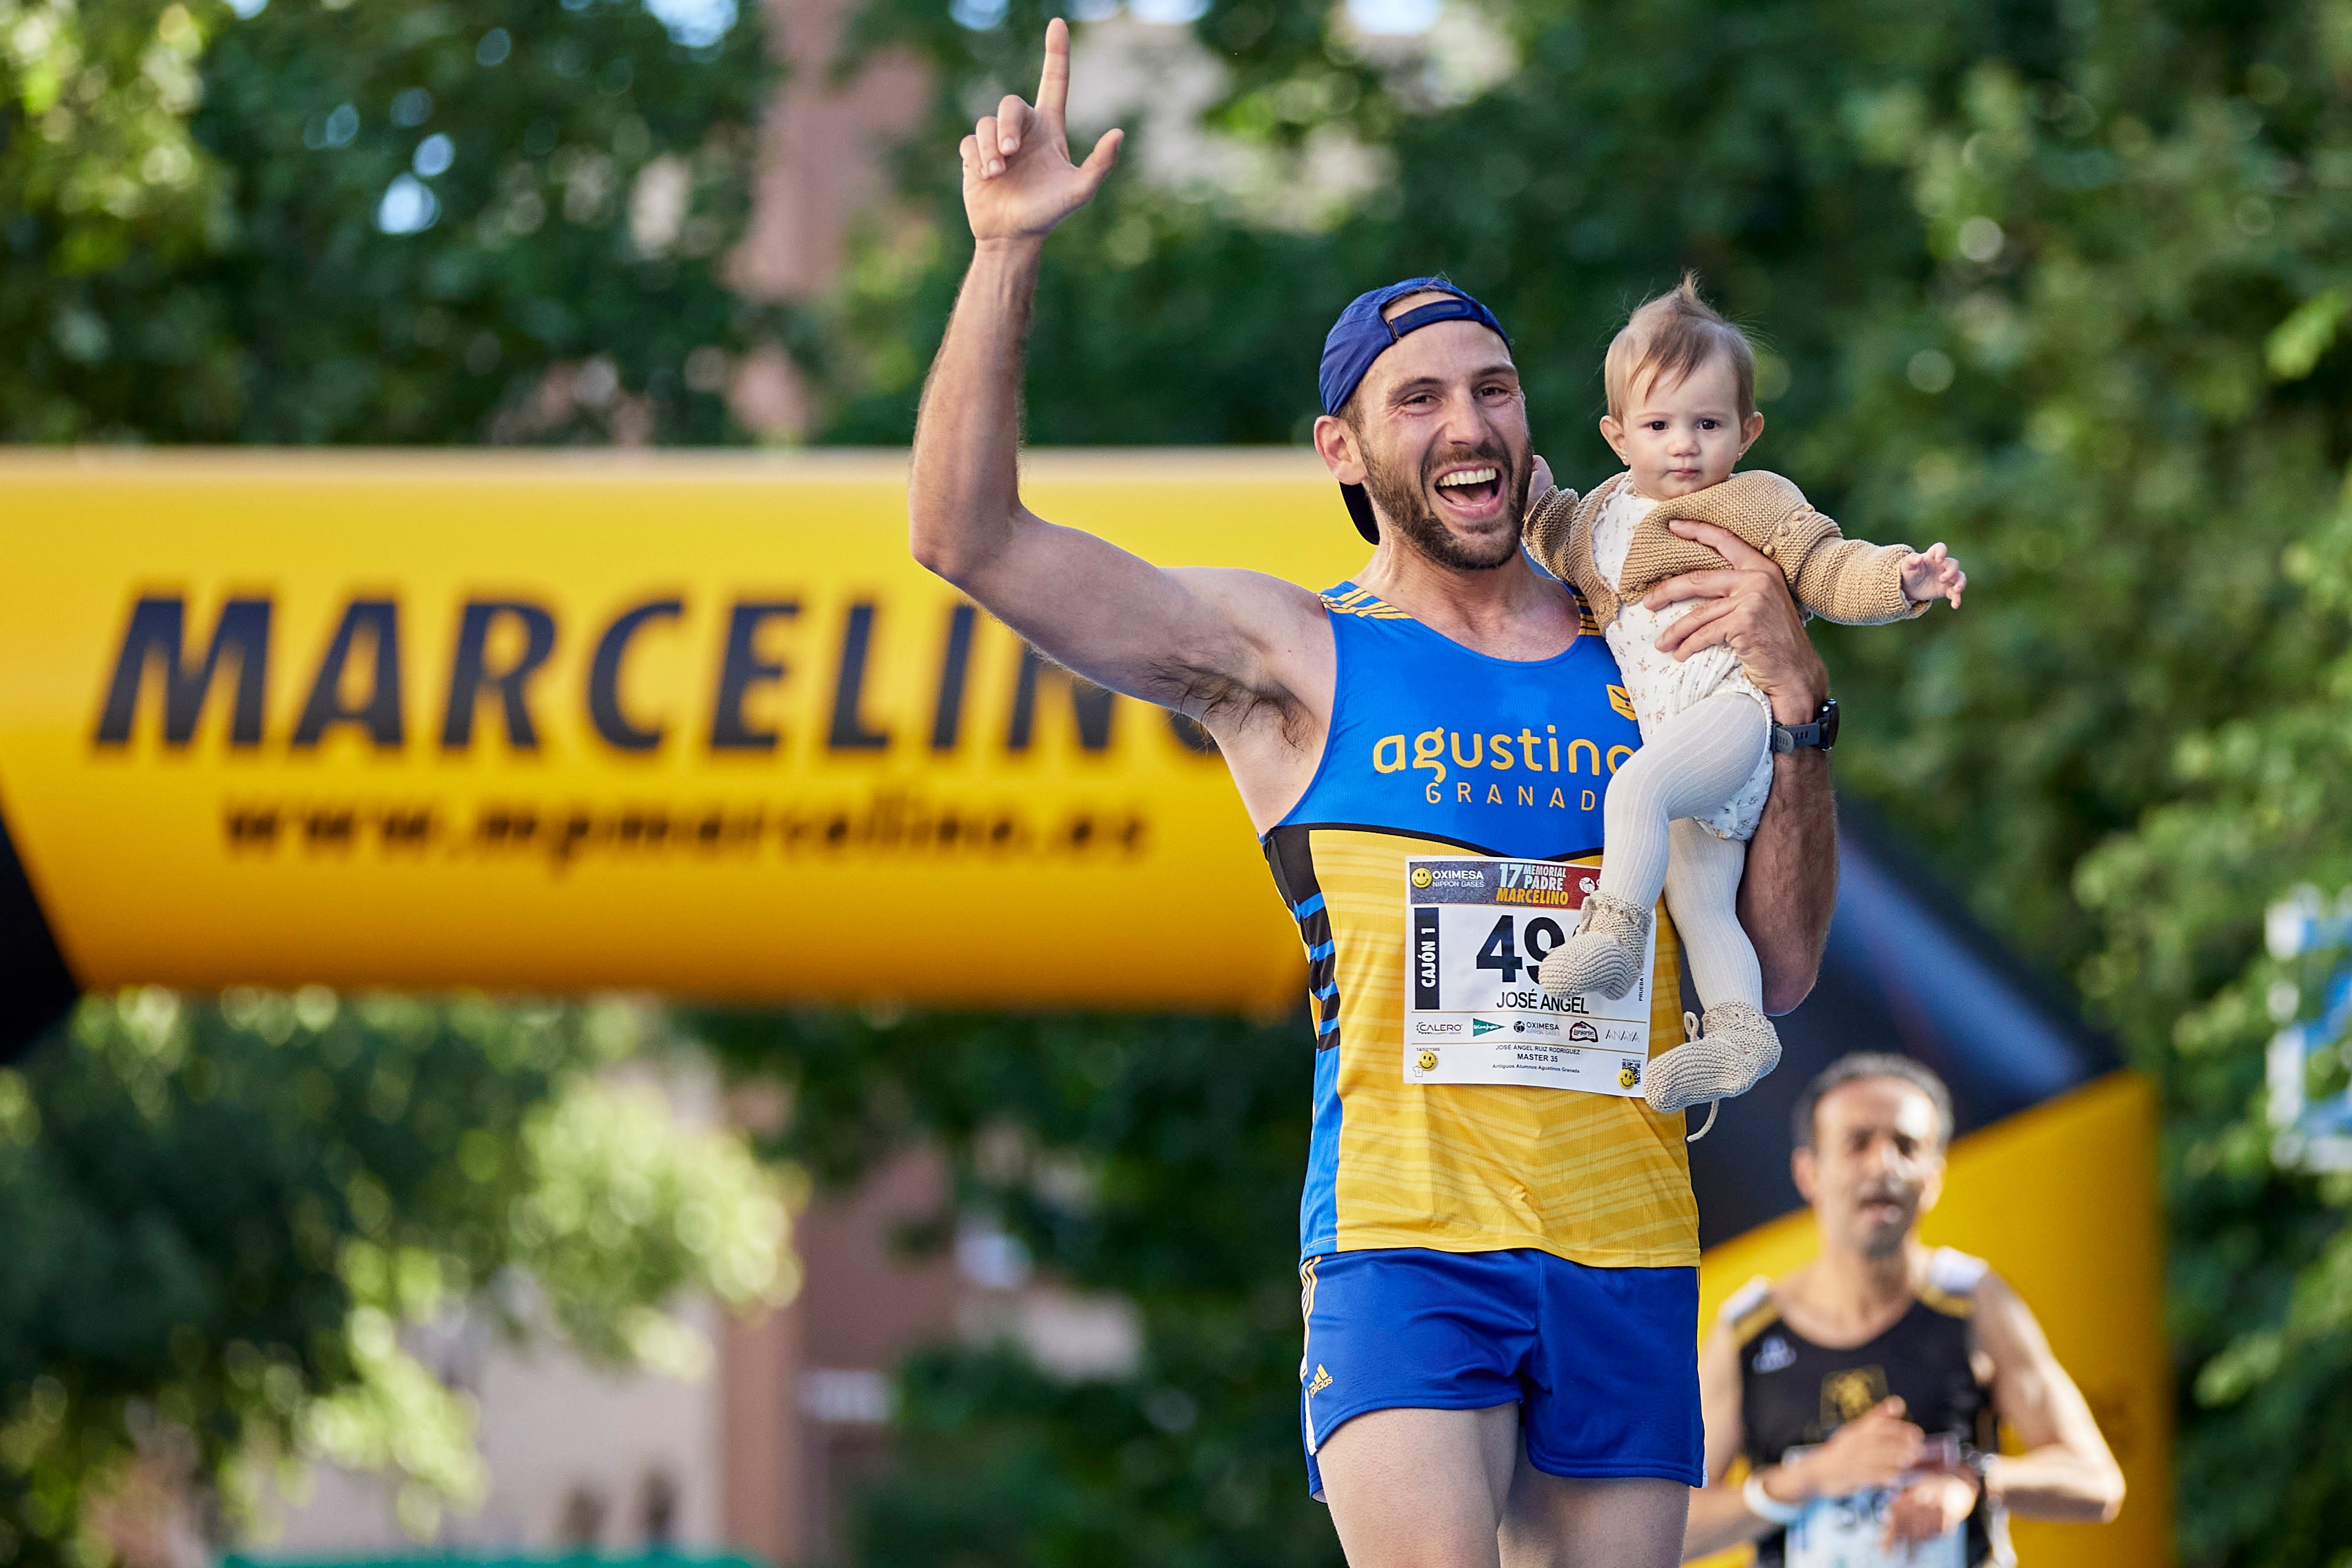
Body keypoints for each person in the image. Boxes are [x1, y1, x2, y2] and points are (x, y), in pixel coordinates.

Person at [911, 22, 1839, 1565]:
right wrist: (1007, 250)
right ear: (1344, 447)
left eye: (1493, 387)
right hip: (1407, 1249)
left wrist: (1799, 704)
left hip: (1626, 1242)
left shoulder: (1652, 644)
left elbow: (1785, 965)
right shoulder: (1294, 649)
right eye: (1419, 400)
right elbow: (969, 538)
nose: (1470, 425)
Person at [1523, 281, 1967, 1135]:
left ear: (1748, 430)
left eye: (1708, 424)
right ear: (1617, 435)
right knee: (1698, 897)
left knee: (1636, 791)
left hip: (1732, 713)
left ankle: (1612, 934)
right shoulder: (1603, 515)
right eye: (1659, 426)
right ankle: (1737, 1028)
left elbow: (1829, 566)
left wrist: (1904, 579)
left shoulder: (1758, 502)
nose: (1684, 447)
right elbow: (1552, 533)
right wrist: (1535, 495)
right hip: (1684, 738)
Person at [1683, 1054, 2126, 1566]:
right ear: (1809, 1173)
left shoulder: (1974, 1300)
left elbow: (2097, 1481)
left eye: (1906, 1145)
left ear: (1934, 1177)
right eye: (1857, 1143)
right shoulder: (1749, 1329)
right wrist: (1808, 1478)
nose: (1883, 1165)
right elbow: (1672, 1530)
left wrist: (1974, 1478)